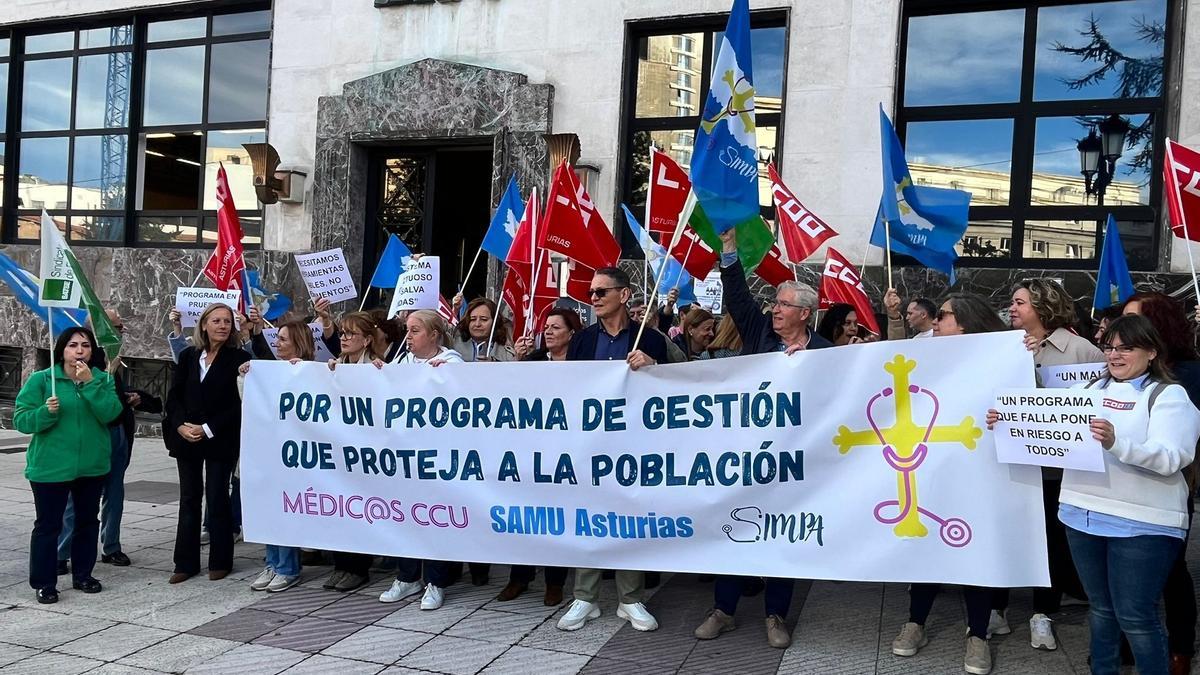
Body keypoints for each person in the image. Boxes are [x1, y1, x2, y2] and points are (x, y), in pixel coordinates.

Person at [989, 314, 1200, 675]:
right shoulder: (1087, 391)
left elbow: (1172, 458)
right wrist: (1008, 419)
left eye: (1126, 348)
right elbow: (1043, 416)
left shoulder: (1169, 396)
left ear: (1151, 352)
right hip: (1081, 514)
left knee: (1135, 616)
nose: (1115, 355)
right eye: (1110, 347)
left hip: (1143, 524)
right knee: (1100, 610)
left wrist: (1118, 443)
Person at [890, 293, 1006, 675]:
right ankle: (915, 623)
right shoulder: (924, 358)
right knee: (925, 547)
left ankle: (977, 633)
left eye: (944, 316)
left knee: (977, 550)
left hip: (981, 474)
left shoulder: (1002, 361)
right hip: (932, 471)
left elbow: (1022, 406)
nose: (935, 322)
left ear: (967, 323)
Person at [993, 278, 1104, 650]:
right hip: (1013, 464)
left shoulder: (1082, 350)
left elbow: (1099, 403)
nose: (1012, 308)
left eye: (1020, 302)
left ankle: (1043, 612)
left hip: (1060, 470)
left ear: (1042, 306)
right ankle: (998, 608)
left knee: (1053, 542)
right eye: (1012, 301)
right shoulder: (1002, 347)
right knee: (1009, 533)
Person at [557, 266, 668, 633]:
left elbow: (686, 376)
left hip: (636, 444)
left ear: (624, 294)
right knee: (589, 517)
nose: (594, 299)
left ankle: (630, 598)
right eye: (591, 293)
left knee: (629, 517)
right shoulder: (584, 340)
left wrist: (655, 366)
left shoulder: (650, 338)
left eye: (601, 292)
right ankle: (585, 598)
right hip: (591, 443)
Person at [15, 327, 123, 604]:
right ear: (61, 350)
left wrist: (89, 384)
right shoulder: (43, 380)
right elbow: (22, 420)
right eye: (73, 345)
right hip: (50, 467)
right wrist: (44, 413)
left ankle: (83, 575)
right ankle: (44, 582)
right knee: (48, 525)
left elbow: (111, 413)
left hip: (91, 465)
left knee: (87, 522)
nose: (79, 350)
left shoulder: (102, 378)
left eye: (85, 345)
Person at [1122, 292, 1200, 674]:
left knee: (1170, 569)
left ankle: (1180, 648)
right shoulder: (1121, 369)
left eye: (1134, 320)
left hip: (1170, 486)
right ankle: (1125, 644)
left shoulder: (1189, 374)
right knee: (1123, 572)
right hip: (1121, 488)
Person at [57, 310, 161, 573]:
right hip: (91, 435)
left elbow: (113, 394)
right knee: (76, 495)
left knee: (114, 492)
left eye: (121, 327)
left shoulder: (113, 356)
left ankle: (111, 546)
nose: (120, 332)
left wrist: (133, 397)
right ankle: (62, 552)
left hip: (117, 432)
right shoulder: (83, 358)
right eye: (115, 327)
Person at [378, 309, 464, 609]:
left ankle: (436, 581)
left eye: (415, 330)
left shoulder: (452, 362)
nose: (408, 336)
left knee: (435, 518)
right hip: (406, 457)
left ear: (434, 334)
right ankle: (408, 576)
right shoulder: (401, 362)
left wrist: (447, 377)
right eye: (408, 330)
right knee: (405, 516)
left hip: (438, 459)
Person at [498, 308, 583, 605]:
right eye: (546, 327)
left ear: (572, 333)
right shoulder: (533, 361)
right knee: (525, 515)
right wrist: (518, 362)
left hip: (566, 452)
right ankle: (519, 577)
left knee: (556, 517)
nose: (547, 332)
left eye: (555, 327)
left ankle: (554, 582)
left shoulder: (585, 365)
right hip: (530, 451)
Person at [165, 303, 252, 584]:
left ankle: (220, 560)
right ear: (204, 324)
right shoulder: (190, 356)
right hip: (186, 437)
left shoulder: (239, 358)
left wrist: (207, 428)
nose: (222, 326)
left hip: (219, 437)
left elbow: (239, 403)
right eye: (216, 320)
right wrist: (180, 426)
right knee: (189, 498)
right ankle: (185, 563)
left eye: (227, 321)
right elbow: (174, 396)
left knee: (217, 497)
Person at [242, 319, 317, 593]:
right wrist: (248, 374)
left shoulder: (310, 371)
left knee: (286, 508)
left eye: (283, 339)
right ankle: (272, 562)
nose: (277, 343)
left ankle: (288, 567)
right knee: (269, 506)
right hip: (270, 450)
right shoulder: (271, 371)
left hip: (295, 455)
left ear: (298, 341)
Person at [322, 312, 386, 592]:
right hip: (338, 452)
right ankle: (341, 565)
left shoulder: (377, 367)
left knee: (359, 510)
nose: (345, 338)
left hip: (365, 455)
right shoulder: (334, 366)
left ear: (367, 340)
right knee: (337, 509)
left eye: (351, 334)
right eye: (343, 334)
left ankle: (358, 567)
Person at [719, 228, 831, 355]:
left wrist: (805, 361)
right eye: (776, 303)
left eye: (784, 304)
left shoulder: (823, 351)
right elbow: (737, 297)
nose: (776, 310)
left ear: (804, 313)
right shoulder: (759, 331)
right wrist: (728, 244)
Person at [451, 298, 515, 362]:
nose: (477, 324)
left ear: (495, 322)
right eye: (473, 319)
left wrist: (494, 364)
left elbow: (513, 370)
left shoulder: (507, 353)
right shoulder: (452, 345)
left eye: (484, 319)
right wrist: (455, 311)